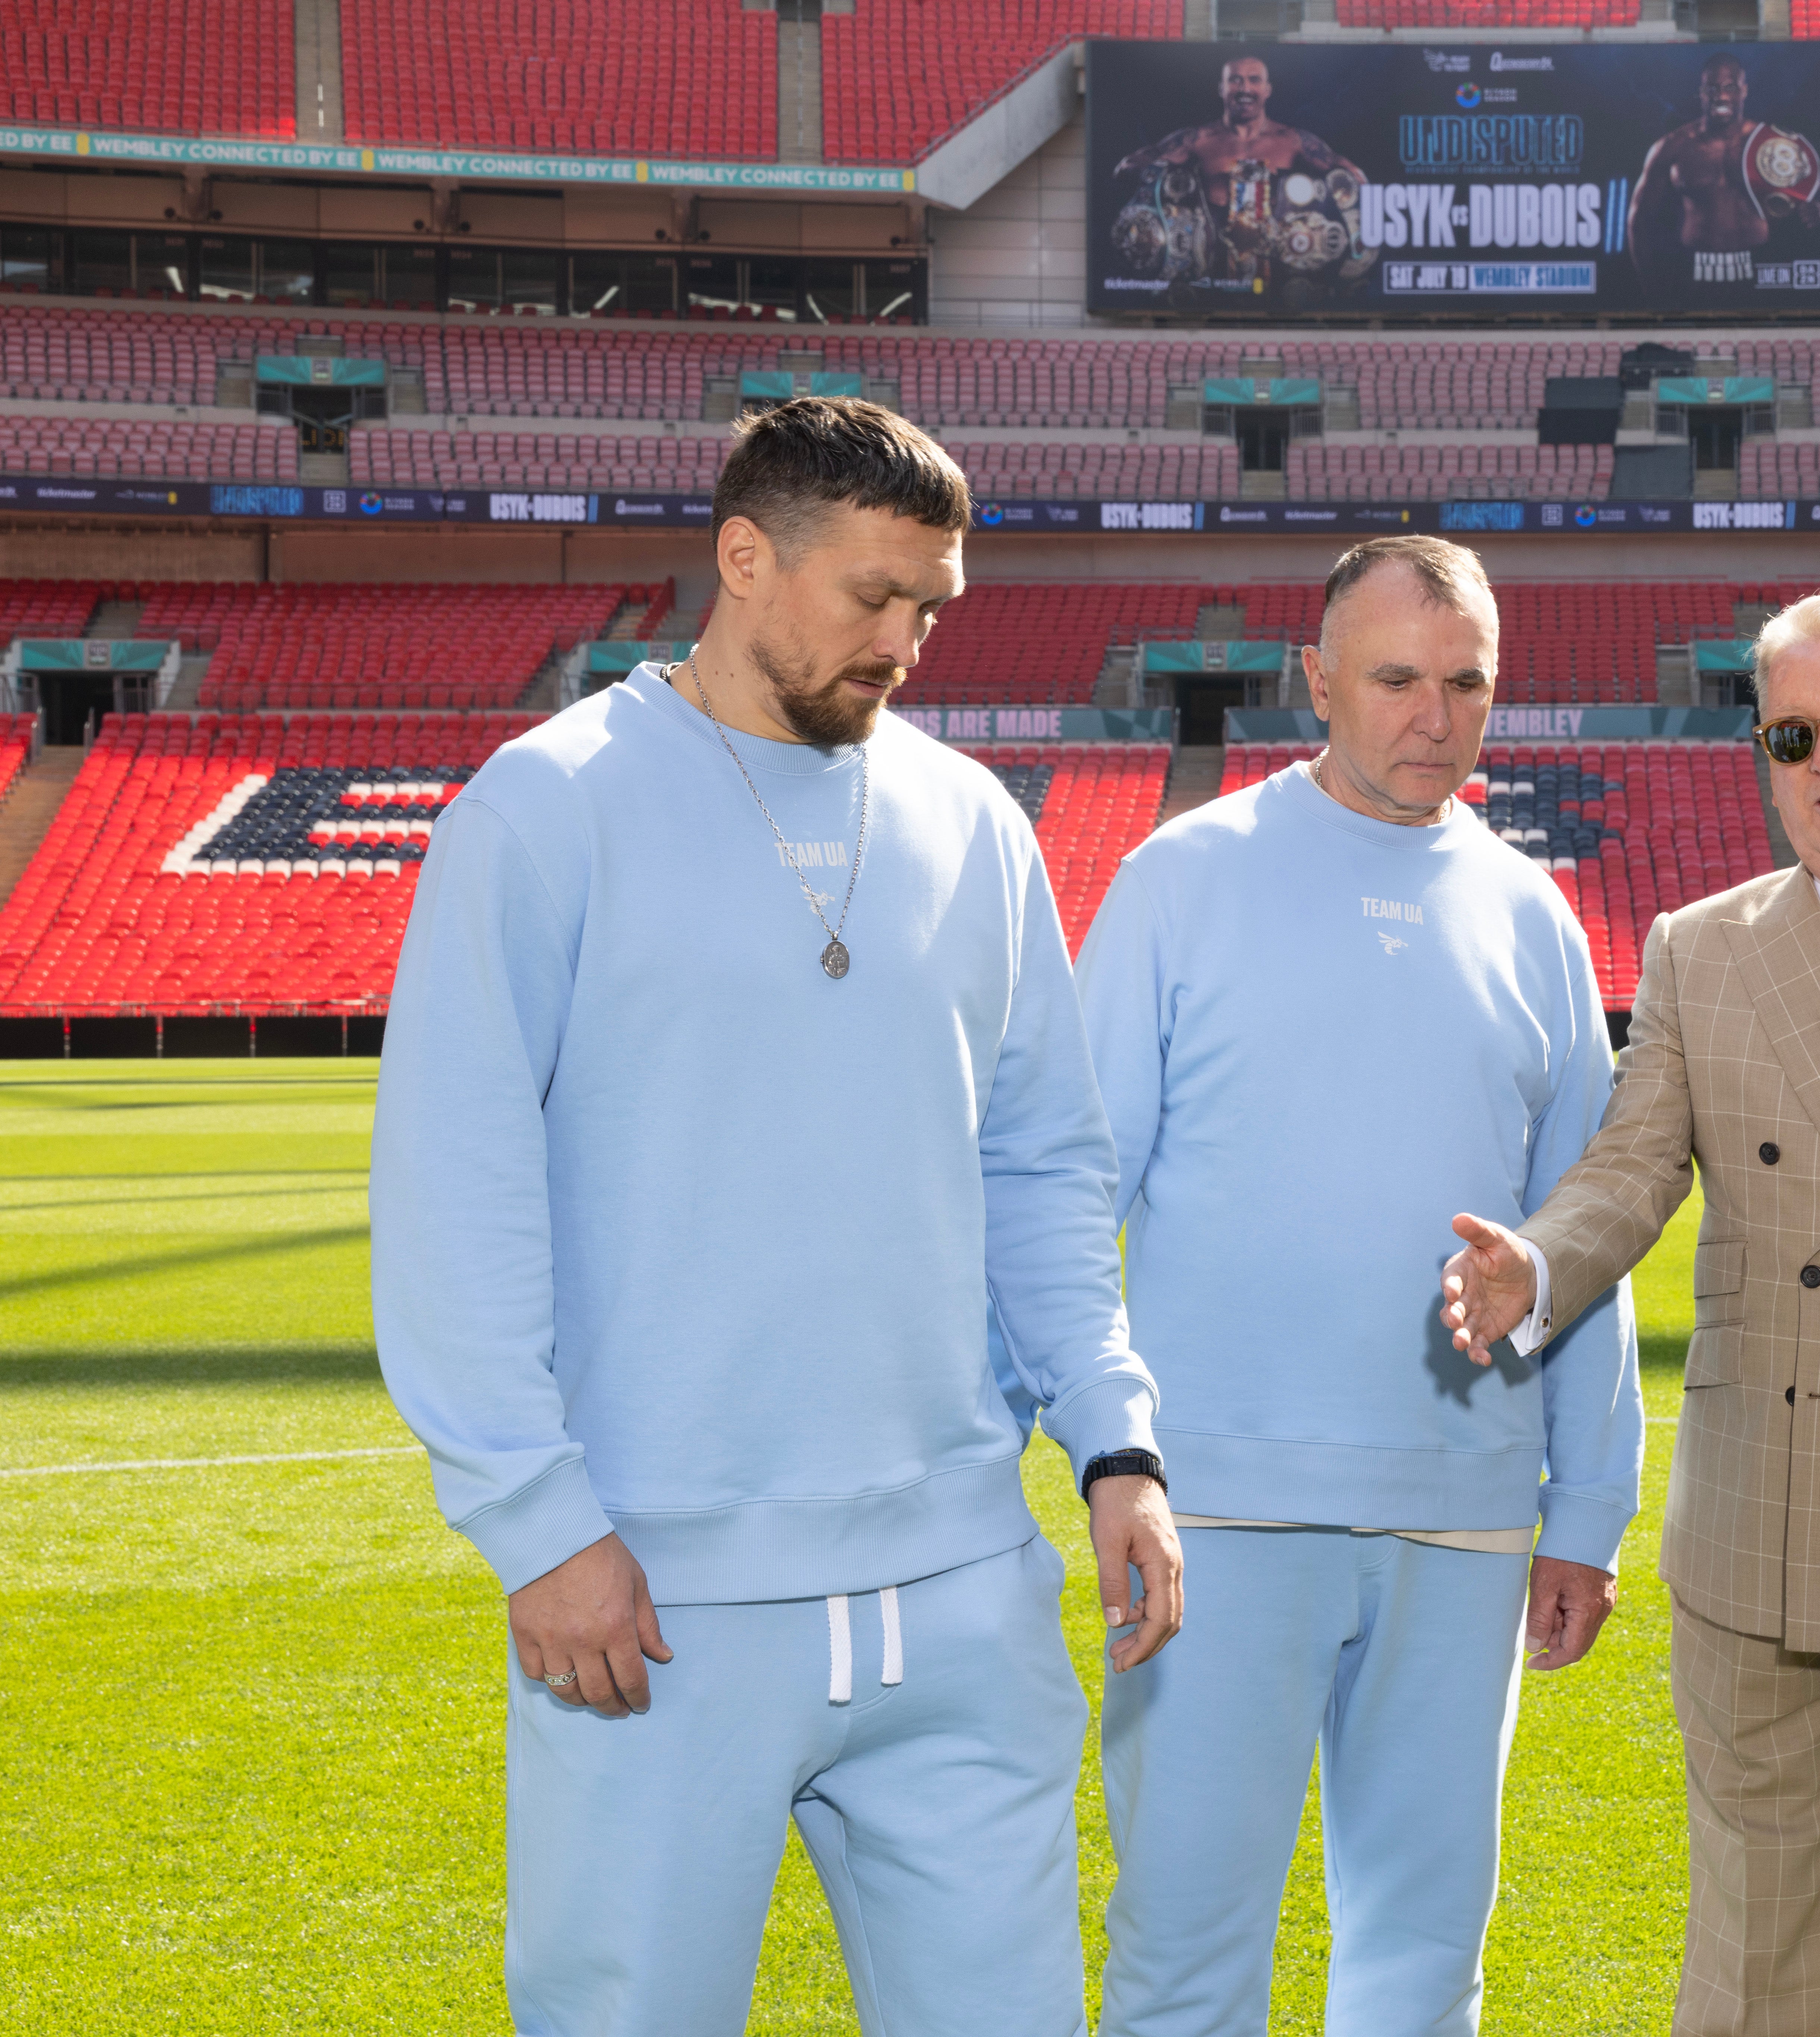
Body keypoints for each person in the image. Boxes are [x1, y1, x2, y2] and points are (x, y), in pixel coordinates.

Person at [369, 396, 1182, 2036]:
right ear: (744, 559)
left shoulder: (975, 822)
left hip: (963, 1588)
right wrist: (540, 1526)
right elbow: (453, 1190)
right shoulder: (546, 810)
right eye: (873, 598)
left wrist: (1115, 1443)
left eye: (931, 606)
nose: (906, 641)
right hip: (657, 1597)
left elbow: (1040, 1168)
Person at [1074, 534, 1642, 2036]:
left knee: (1418, 1965)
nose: (1432, 717)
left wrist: (1585, 1508)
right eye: (1395, 679)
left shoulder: (1533, 915)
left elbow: (1584, 1229)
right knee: (1187, 1954)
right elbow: (1067, 1196)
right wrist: (1099, 1450)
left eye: (1467, 685)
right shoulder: (1179, 878)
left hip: (1461, 1517)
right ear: (1316, 678)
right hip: (1217, 1516)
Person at [1440, 588, 1820, 2037]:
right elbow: (1631, 1165)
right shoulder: (1698, 949)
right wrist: (1539, 1264)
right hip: (1762, 1520)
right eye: (1788, 733)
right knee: (1751, 1961)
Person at [1113, 54, 1366, 286]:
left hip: (1279, 276)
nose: (1245, 89)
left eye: (1254, 80)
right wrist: (1148, 171)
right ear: (1222, 89)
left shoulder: (1293, 141)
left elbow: (1351, 177)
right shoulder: (1197, 140)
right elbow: (1127, 168)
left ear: (1267, 90)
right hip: (1212, 275)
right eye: (1236, 81)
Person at [1629, 53, 1820, 287]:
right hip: (1691, 270)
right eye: (1712, 89)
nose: (1721, 97)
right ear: (1702, 93)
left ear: (1744, 91)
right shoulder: (1673, 147)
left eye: (1730, 87)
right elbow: (1640, 221)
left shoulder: (1769, 142)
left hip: (1760, 267)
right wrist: (1648, 286)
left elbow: (1815, 189)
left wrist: (1819, 207)